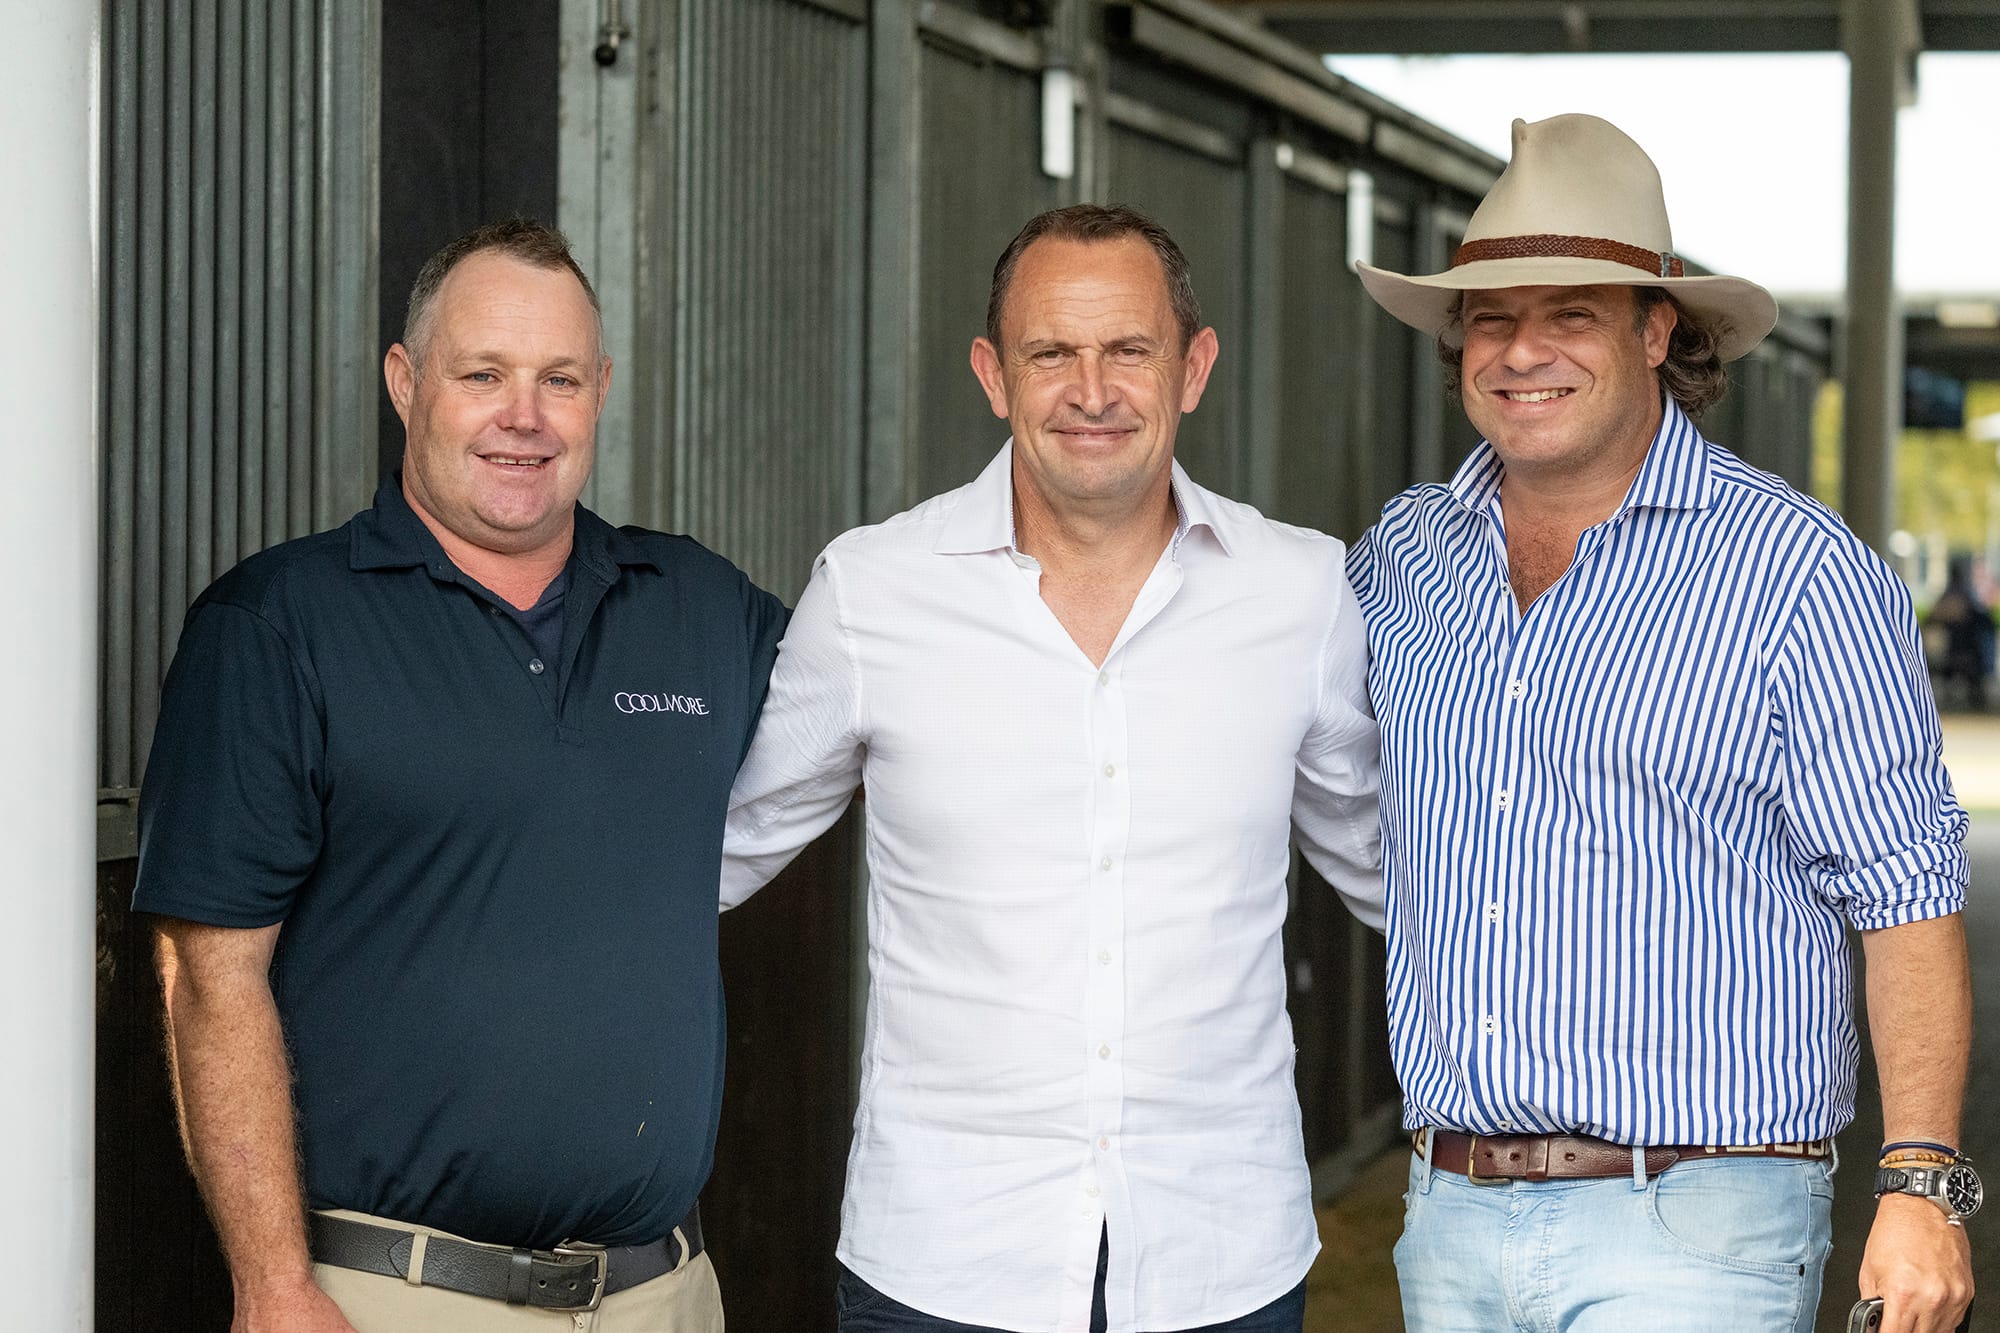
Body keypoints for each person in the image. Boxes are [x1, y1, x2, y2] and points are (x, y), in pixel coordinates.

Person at [1349, 114, 1975, 1332]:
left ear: (1654, 330)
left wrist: (1920, 1184)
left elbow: (1904, 888)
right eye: (1488, 316)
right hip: (1450, 1216)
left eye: (1569, 312)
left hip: (1697, 1226)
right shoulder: (1402, 557)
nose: (1520, 349)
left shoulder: (1797, 571)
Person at [722, 204, 1383, 1332]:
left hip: (1217, 1259)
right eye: (1049, 353)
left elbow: (1406, 880)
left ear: (1193, 367)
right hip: (941, 1264)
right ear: (992, 373)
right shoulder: (874, 592)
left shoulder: (1301, 593)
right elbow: (709, 855)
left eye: (1128, 349)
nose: (1091, 389)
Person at [134, 219, 786, 1332]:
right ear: (405, 380)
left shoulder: (701, 609)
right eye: (482, 373)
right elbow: (209, 979)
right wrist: (273, 1283)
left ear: (601, 390)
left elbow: (908, 716)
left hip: (662, 1294)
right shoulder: (278, 625)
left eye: (559, 379)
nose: (522, 416)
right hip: (399, 1297)